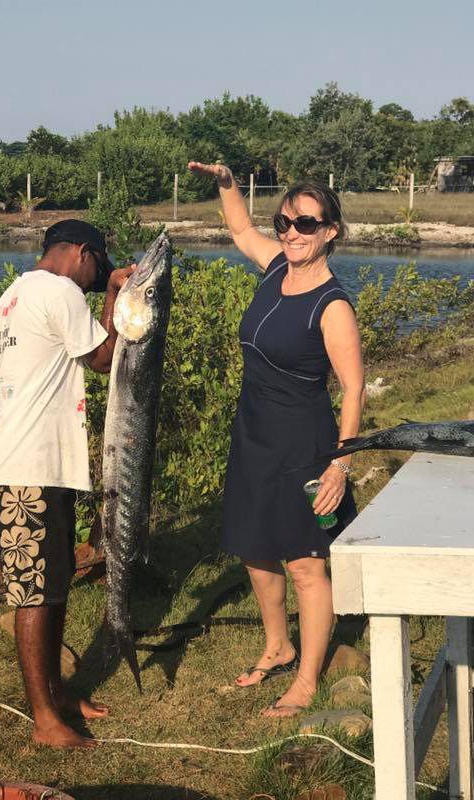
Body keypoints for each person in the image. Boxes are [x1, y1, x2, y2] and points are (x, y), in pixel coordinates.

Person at [188, 162, 366, 718]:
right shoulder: (274, 268)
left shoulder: (331, 304)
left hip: (303, 446)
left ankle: (308, 679)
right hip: (253, 434)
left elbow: (354, 388)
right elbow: (241, 230)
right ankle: (277, 645)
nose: (290, 232)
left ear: (330, 231)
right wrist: (225, 182)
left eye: (305, 225)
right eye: (284, 221)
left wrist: (339, 465)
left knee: (306, 564)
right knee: (255, 547)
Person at [0, 219, 134, 747]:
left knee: (54, 582)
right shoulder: (62, 291)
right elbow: (104, 358)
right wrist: (112, 297)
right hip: (32, 470)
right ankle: (44, 718)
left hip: (33, 465)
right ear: (81, 253)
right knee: (34, 596)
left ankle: (57, 692)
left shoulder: (14, 294)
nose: (97, 277)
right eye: (99, 267)